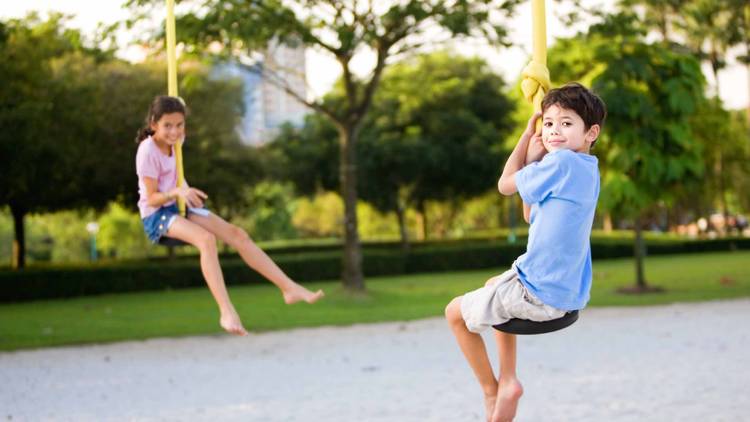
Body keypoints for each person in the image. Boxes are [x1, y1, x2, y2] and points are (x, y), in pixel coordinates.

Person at [445, 83, 606, 422]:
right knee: (494, 283)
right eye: (547, 123)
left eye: (566, 123)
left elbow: (505, 185)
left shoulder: (560, 162)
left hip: (539, 292)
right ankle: (509, 378)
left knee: (454, 314)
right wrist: (535, 159)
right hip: (566, 292)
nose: (554, 131)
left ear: (591, 132)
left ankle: (493, 388)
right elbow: (529, 213)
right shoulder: (586, 169)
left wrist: (524, 138)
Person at [135, 95, 324, 336]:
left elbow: (179, 109)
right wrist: (177, 191)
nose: (174, 131)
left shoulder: (177, 140)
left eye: (179, 125)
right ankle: (226, 312)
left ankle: (289, 288)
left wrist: (182, 192)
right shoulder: (147, 150)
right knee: (206, 240)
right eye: (167, 126)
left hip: (181, 203)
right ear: (154, 125)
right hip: (157, 213)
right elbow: (151, 198)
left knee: (238, 235)